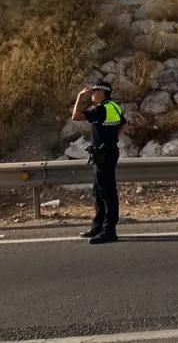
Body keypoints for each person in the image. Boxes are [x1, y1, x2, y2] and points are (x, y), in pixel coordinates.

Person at [72, 81, 125, 244]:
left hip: (103, 154)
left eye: (95, 91)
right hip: (108, 151)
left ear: (103, 92)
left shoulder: (101, 109)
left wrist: (80, 98)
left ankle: (109, 231)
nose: (92, 93)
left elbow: (76, 116)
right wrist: (113, 138)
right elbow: (124, 124)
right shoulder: (114, 106)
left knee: (107, 192)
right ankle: (98, 226)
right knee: (100, 191)